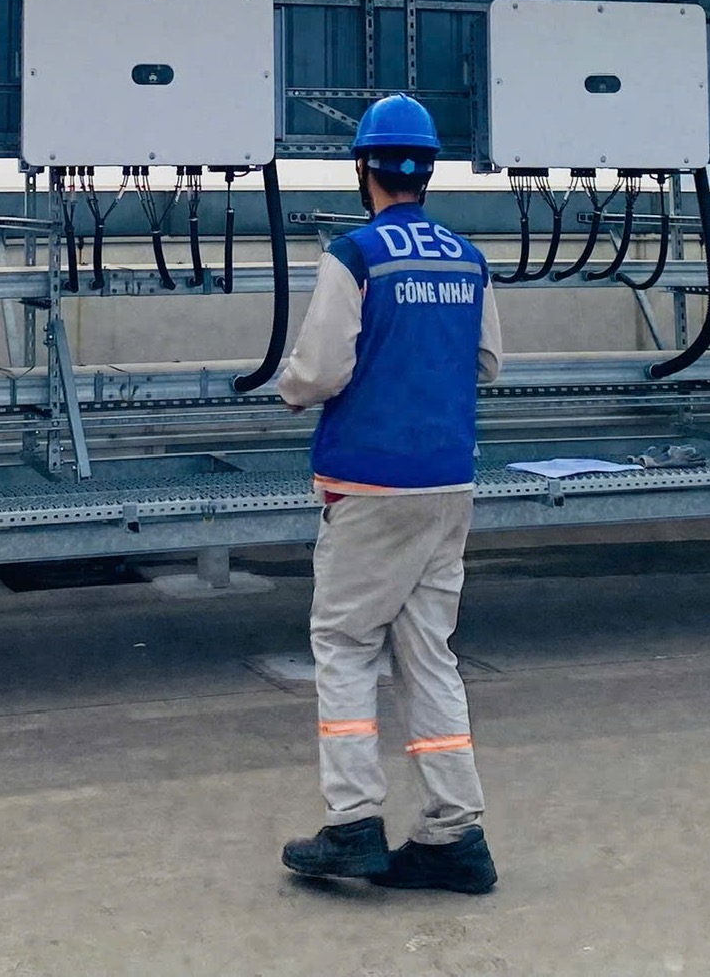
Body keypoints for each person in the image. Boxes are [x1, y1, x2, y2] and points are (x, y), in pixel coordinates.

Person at [275, 94, 502, 896]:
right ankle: (455, 833)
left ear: (363, 169)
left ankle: (353, 822)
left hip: (371, 485)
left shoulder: (356, 255)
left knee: (343, 645)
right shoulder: (468, 258)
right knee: (429, 655)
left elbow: (320, 369)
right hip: (448, 482)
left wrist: (290, 390)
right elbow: (487, 363)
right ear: (427, 171)